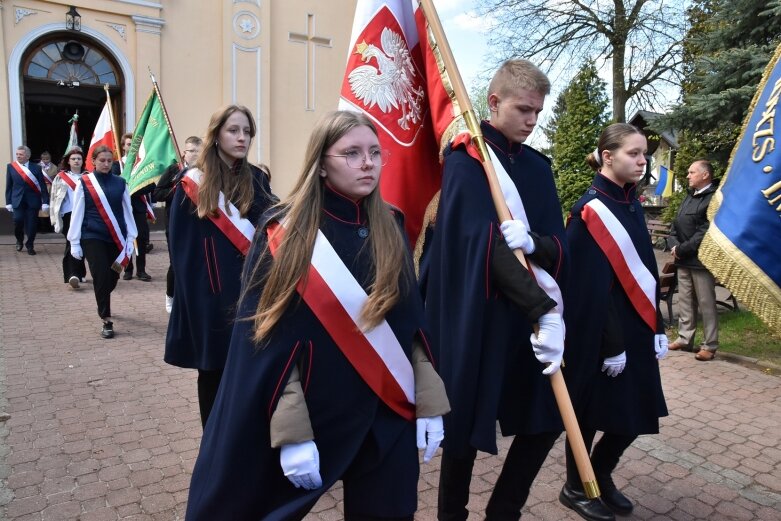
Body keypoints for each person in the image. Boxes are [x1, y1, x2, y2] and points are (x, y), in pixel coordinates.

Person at [186, 110, 450, 521]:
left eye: (375, 153)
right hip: (316, 411)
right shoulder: (283, 231)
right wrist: (292, 433)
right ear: (322, 164)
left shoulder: (392, 225)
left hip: (387, 411)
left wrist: (430, 401)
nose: (368, 162)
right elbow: (267, 340)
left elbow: (409, 325)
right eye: (351, 153)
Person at [420, 59, 567, 521]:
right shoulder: (468, 161)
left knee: (546, 419)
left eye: (539, 112)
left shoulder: (539, 169)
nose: (532, 120)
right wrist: (541, 307)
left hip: (528, 322)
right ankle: (452, 515)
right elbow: (475, 242)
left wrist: (537, 243)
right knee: (462, 427)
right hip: (481, 315)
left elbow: (558, 242)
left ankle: (504, 512)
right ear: (494, 101)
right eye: (524, 109)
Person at [560, 123, 668, 521]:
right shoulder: (589, 210)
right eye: (634, 154)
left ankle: (601, 473)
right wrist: (612, 343)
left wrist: (657, 326)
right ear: (608, 156)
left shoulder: (631, 202)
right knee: (589, 415)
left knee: (638, 411)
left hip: (638, 327)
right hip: (604, 335)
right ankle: (577, 486)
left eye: (644, 155)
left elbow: (645, 272)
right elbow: (587, 289)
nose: (643, 162)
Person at [164, 105, 275, 427]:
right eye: (233, 130)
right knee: (212, 374)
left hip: (253, 293)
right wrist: (195, 303)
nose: (242, 137)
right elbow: (181, 251)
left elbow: (273, 230)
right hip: (210, 297)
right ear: (216, 135)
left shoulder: (258, 178)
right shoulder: (192, 184)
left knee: (252, 371)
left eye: (247, 131)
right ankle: (213, 444)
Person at [67, 145, 137, 339]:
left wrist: (131, 237)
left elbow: (127, 211)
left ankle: (103, 295)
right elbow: (77, 212)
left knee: (112, 276)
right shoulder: (85, 182)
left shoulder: (121, 183)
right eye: (102, 161)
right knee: (100, 275)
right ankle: (106, 319)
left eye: (109, 161)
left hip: (117, 237)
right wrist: (74, 241)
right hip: (93, 235)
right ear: (94, 161)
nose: (106, 164)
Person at [667, 160, 720, 361]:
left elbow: (705, 230)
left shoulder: (713, 198)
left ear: (705, 175)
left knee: (706, 303)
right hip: (683, 259)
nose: (688, 175)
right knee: (685, 301)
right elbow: (675, 225)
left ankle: (710, 344)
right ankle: (685, 338)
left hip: (700, 260)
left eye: (692, 172)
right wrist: (674, 245)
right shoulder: (689, 196)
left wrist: (681, 248)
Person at [153, 136, 202, 313]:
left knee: (196, 261)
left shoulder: (206, 172)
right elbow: (157, 194)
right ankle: (171, 296)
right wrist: (176, 189)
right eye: (192, 151)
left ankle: (191, 297)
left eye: (199, 151)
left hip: (197, 224)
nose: (195, 155)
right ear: (184, 153)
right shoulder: (175, 170)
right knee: (176, 262)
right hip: (175, 224)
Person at [113, 132, 156, 282]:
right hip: (123, 208)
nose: (131, 147)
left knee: (142, 238)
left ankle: (141, 270)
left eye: (134, 145)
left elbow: (149, 185)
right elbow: (114, 185)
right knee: (126, 238)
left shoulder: (142, 165)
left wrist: (133, 188)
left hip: (138, 207)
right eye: (129, 144)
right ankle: (128, 269)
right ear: (123, 146)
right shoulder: (117, 165)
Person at [50, 148, 87, 287]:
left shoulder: (88, 176)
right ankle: (72, 274)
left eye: (79, 158)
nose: (76, 161)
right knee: (71, 241)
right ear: (68, 161)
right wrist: (54, 219)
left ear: (83, 161)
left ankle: (80, 272)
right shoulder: (60, 177)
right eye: (73, 159)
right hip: (67, 214)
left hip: (83, 214)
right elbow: (53, 198)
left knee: (82, 242)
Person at [5, 145, 49, 255]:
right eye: (17, 154)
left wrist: (45, 202)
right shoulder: (11, 167)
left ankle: (30, 245)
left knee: (32, 224)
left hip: (32, 200)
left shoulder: (37, 168)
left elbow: (42, 186)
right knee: (18, 221)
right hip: (17, 200)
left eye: (21, 154)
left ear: (27, 156)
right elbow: (9, 186)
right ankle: (19, 240)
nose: (18, 156)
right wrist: (8, 202)